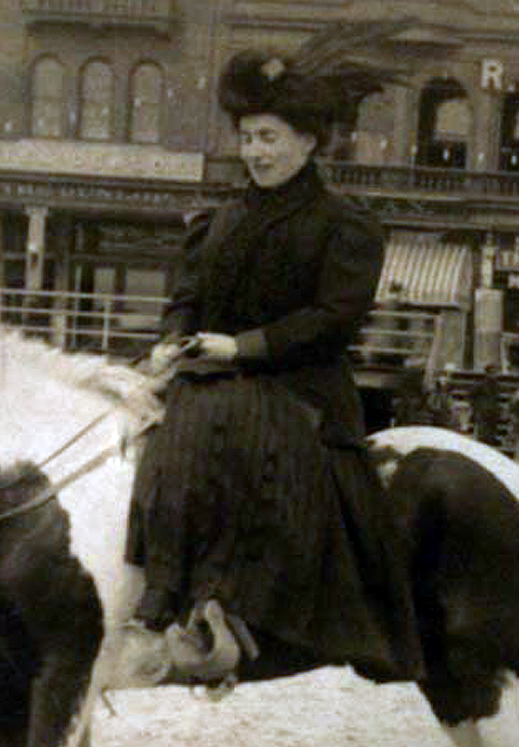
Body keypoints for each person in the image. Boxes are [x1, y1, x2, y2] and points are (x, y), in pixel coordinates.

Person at [119, 29, 423, 687]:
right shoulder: (219, 221)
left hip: (301, 387)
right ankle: (153, 589)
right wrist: (173, 339)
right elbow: (188, 296)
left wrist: (245, 347)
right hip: (212, 372)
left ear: (308, 142)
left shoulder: (345, 225)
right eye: (248, 136)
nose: (255, 151)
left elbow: (332, 319)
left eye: (269, 138)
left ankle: (211, 614)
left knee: (215, 422)